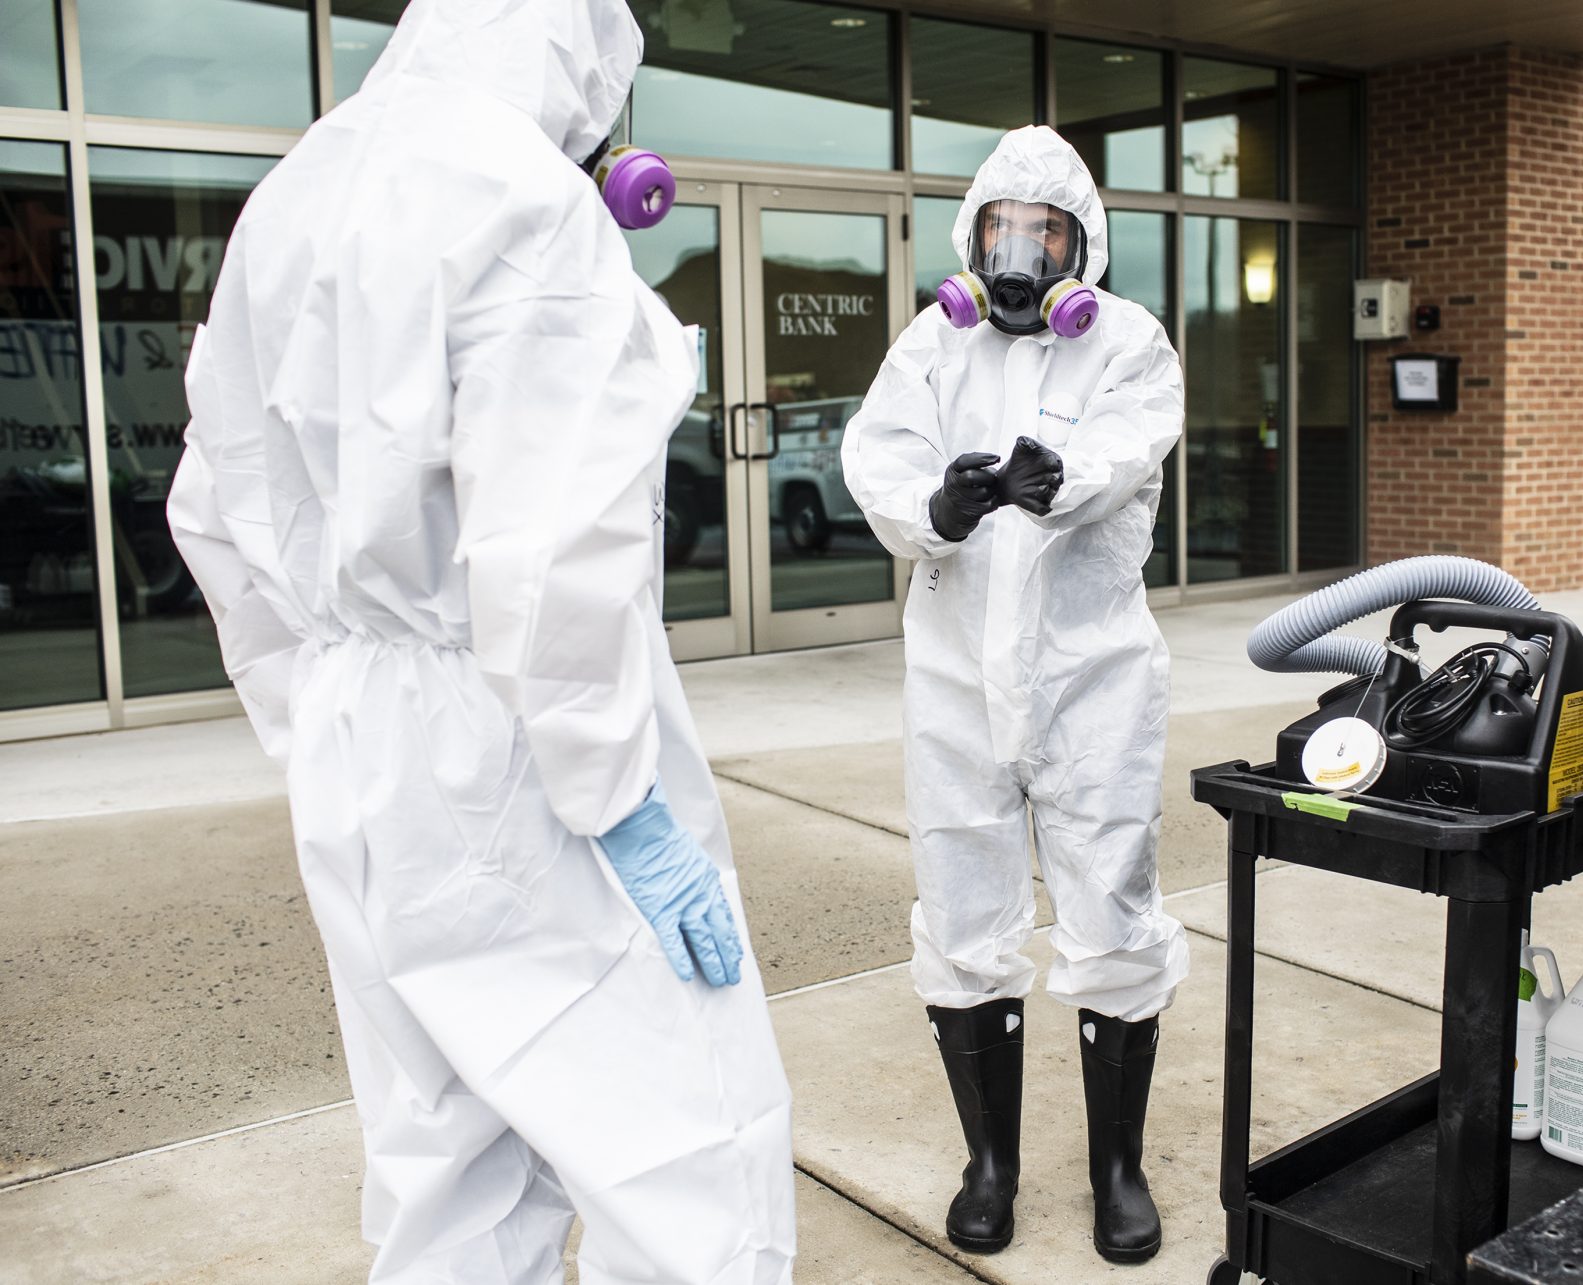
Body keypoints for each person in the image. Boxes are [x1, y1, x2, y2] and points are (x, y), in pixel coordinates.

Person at [165, 2, 795, 1281]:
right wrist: (615, 795)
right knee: (686, 1170)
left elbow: (210, 502)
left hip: (359, 749)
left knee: (439, 1168)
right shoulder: (521, 197)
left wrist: (319, 718)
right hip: (523, 762)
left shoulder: (290, 196)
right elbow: (552, 552)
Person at [840, 125, 1190, 1265]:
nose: (1019, 251)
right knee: (961, 905)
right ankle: (988, 1163)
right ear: (971, 235)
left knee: (1111, 907)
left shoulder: (1128, 342)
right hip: (951, 677)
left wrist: (1062, 481)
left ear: (1082, 245)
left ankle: (1116, 1171)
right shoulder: (933, 348)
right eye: (1000, 227)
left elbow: (1132, 449)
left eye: (1042, 230)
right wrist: (935, 512)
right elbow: (878, 455)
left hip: (1092, 676)